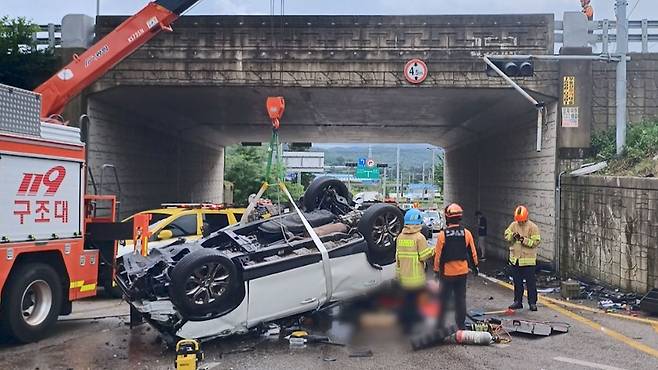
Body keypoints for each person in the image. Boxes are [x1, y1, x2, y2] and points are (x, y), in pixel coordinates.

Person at [433, 203, 479, 330]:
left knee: (443, 299)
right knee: (460, 299)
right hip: (462, 273)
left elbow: (438, 255)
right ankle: (461, 324)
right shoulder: (467, 233)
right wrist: (475, 267)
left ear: (447, 217)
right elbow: (473, 253)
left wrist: (436, 271)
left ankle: (439, 325)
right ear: (460, 218)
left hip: (447, 274)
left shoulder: (443, 235)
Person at [396, 208, 435, 333]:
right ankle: (415, 326)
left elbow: (397, 258)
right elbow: (424, 256)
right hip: (416, 277)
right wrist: (434, 249)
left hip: (403, 276)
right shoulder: (419, 237)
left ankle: (405, 325)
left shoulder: (400, 237)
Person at [505, 205, 541, 311]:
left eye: (521, 221)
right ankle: (518, 301)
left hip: (528, 261)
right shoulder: (513, 225)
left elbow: (535, 242)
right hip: (515, 260)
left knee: (531, 283)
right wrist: (512, 236)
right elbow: (506, 235)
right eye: (518, 221)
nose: (520, 222)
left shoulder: (533, 227)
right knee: (517, 282)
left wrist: (523, 240)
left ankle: (532, 303)